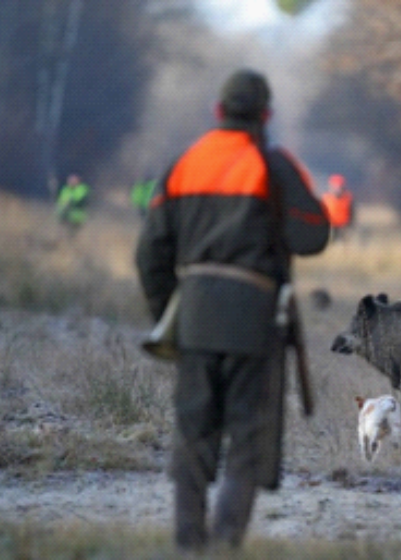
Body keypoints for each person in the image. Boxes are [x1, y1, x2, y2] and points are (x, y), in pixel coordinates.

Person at [135, 68, 329, 551]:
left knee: (193, 434)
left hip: (196, 317)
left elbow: (149, 254)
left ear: (217, 111)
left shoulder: (184, 164)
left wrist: (170, 313)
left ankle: (187, 543)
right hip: (256, 319)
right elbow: (313, 235)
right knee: (248, 436)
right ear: (266, 115)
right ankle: (224, 543)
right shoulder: (273, 164)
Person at [321, 173, 354, 240]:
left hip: (344, 225)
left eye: (339, 186)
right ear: (330, 187)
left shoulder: (348, 198)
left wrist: (350, 224)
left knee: (346, 239)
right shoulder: (325, 198)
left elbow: (352, 213)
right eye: (334, 186)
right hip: (330, 225)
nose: (337, 189)